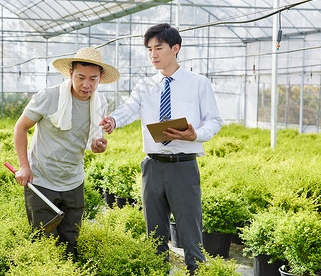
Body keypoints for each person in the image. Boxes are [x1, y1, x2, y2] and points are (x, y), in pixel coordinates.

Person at [99, 23, 222, 274]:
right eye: (149, 49)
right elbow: (129, 109)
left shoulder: (198, 83)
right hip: (152, 166)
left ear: (175, 49)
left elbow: (214, 120)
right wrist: (113, 121)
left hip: (183, 167)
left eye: (159, 48)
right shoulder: (145, 85)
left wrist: (195, 134)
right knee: (154, 236)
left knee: (190, 235)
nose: (153, 54)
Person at [14, 47, 120, 255]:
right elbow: (20, 128)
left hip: (73, 181)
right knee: (45, 246)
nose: (87, 85)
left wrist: (99, 147)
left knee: (70, 243)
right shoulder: (48, 97)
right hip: (42, 181)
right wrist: (24, 166)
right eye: (81, 77)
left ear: (100, 78)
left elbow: (93, 144)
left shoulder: (100, 103)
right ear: (70, 73)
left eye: (93, 79)